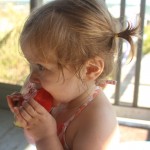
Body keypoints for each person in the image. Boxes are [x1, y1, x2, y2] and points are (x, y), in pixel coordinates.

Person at [7, 0, 139, 149]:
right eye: (31, 65)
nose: (31, 78)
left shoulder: (98, 123)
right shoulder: (63, 96)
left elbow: (42, 138)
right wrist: (30, 119)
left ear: (90, 69)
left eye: (41, 67)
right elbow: (35, 138)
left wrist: (45, 137)